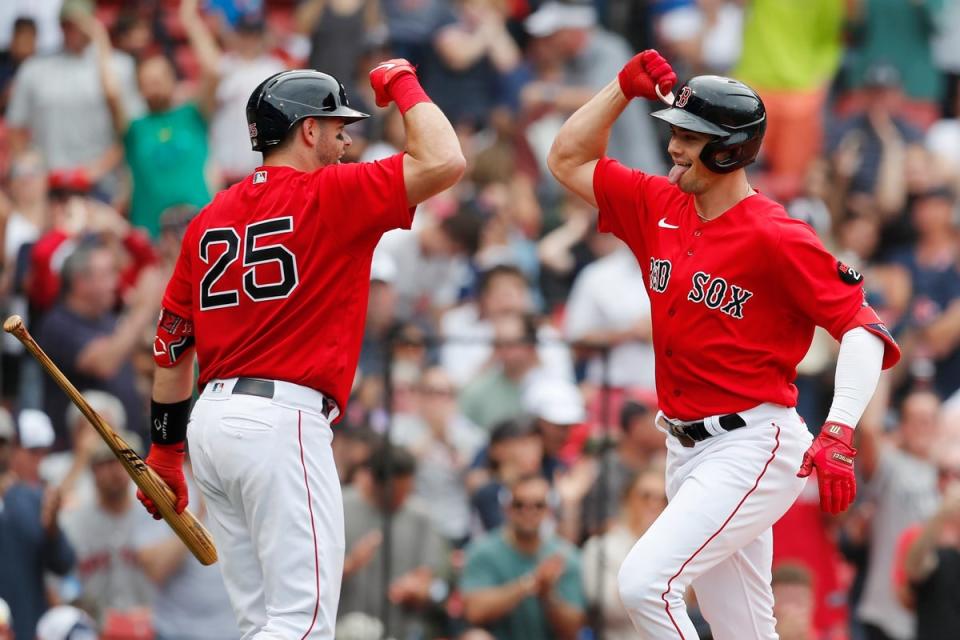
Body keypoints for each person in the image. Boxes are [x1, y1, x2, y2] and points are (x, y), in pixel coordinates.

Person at [546, 49, 901, 637]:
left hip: (753, 443)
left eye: (691, 135)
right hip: (684, 446)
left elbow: (862, 329)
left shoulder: (777, 234)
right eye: (677, 132)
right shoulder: (659, 204)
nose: (675, 147)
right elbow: (566, 158)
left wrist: (839, 427)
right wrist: (620, 88)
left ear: (730, 148)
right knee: (743, 629)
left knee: (643, 584)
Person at [137, 61, 465, 640]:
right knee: (302, 625)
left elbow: (171, 346)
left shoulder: (207, 217)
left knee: (264, 624)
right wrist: (404, 83)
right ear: (307, 130)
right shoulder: (331, 192)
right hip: (279, 419)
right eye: (338, 128)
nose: (346, 141)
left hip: (210, 426)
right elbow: (445, 159)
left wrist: (164, 452)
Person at [460, 473, 587, 640]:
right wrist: (529, 583)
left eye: (538, 505)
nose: (529, 511)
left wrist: (548, 595)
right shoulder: (482, 551)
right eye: (520, 504)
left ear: (548, 510)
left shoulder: (566, 556)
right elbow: (474, 611)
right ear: (506, 508)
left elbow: (574, 630)